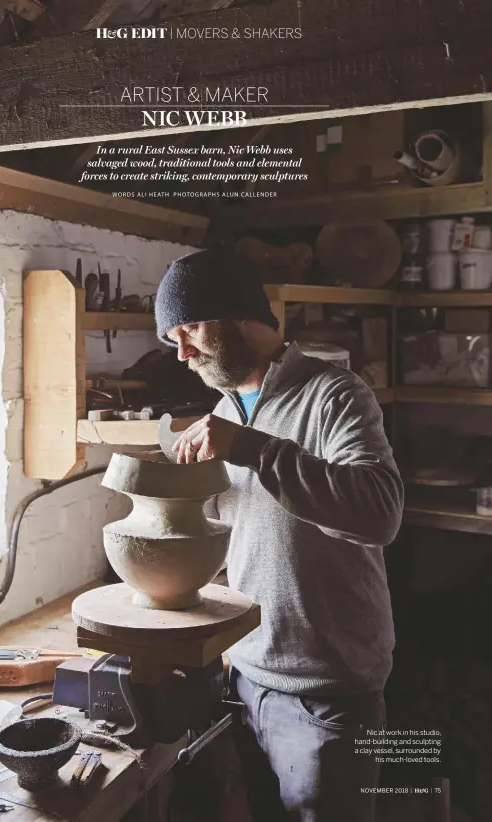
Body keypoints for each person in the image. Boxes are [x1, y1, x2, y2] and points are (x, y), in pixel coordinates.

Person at [154, 248, 404, 822]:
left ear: (239, 313)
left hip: (327, 689)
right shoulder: (223, 412)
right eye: (173, 340)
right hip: (243, 677)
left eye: (189, 329)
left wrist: (251, 448)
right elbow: (232, 537)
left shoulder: (335, 395)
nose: (183, 353)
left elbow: (379, 512)